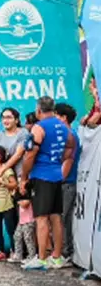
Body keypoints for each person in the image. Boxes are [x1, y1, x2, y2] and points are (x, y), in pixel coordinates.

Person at [20, 96, 76, 270]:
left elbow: (30, 154)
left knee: (41, 218)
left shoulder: (39, 127)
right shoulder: (62, 125)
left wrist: (24, 177)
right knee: (56, 216)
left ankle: (42, 258)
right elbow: (71, 145)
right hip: (56, 175)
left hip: (42, 176)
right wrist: (58, 160)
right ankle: (57, 257)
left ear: (38, 110)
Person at [55, 102, 79, 264]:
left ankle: (66, 253)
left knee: (64, 218)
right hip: (62, 183)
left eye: (56, 116)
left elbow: (69, 161)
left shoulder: (71, 136)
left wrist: (58, 180)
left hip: (67, 183)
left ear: (63, 118)